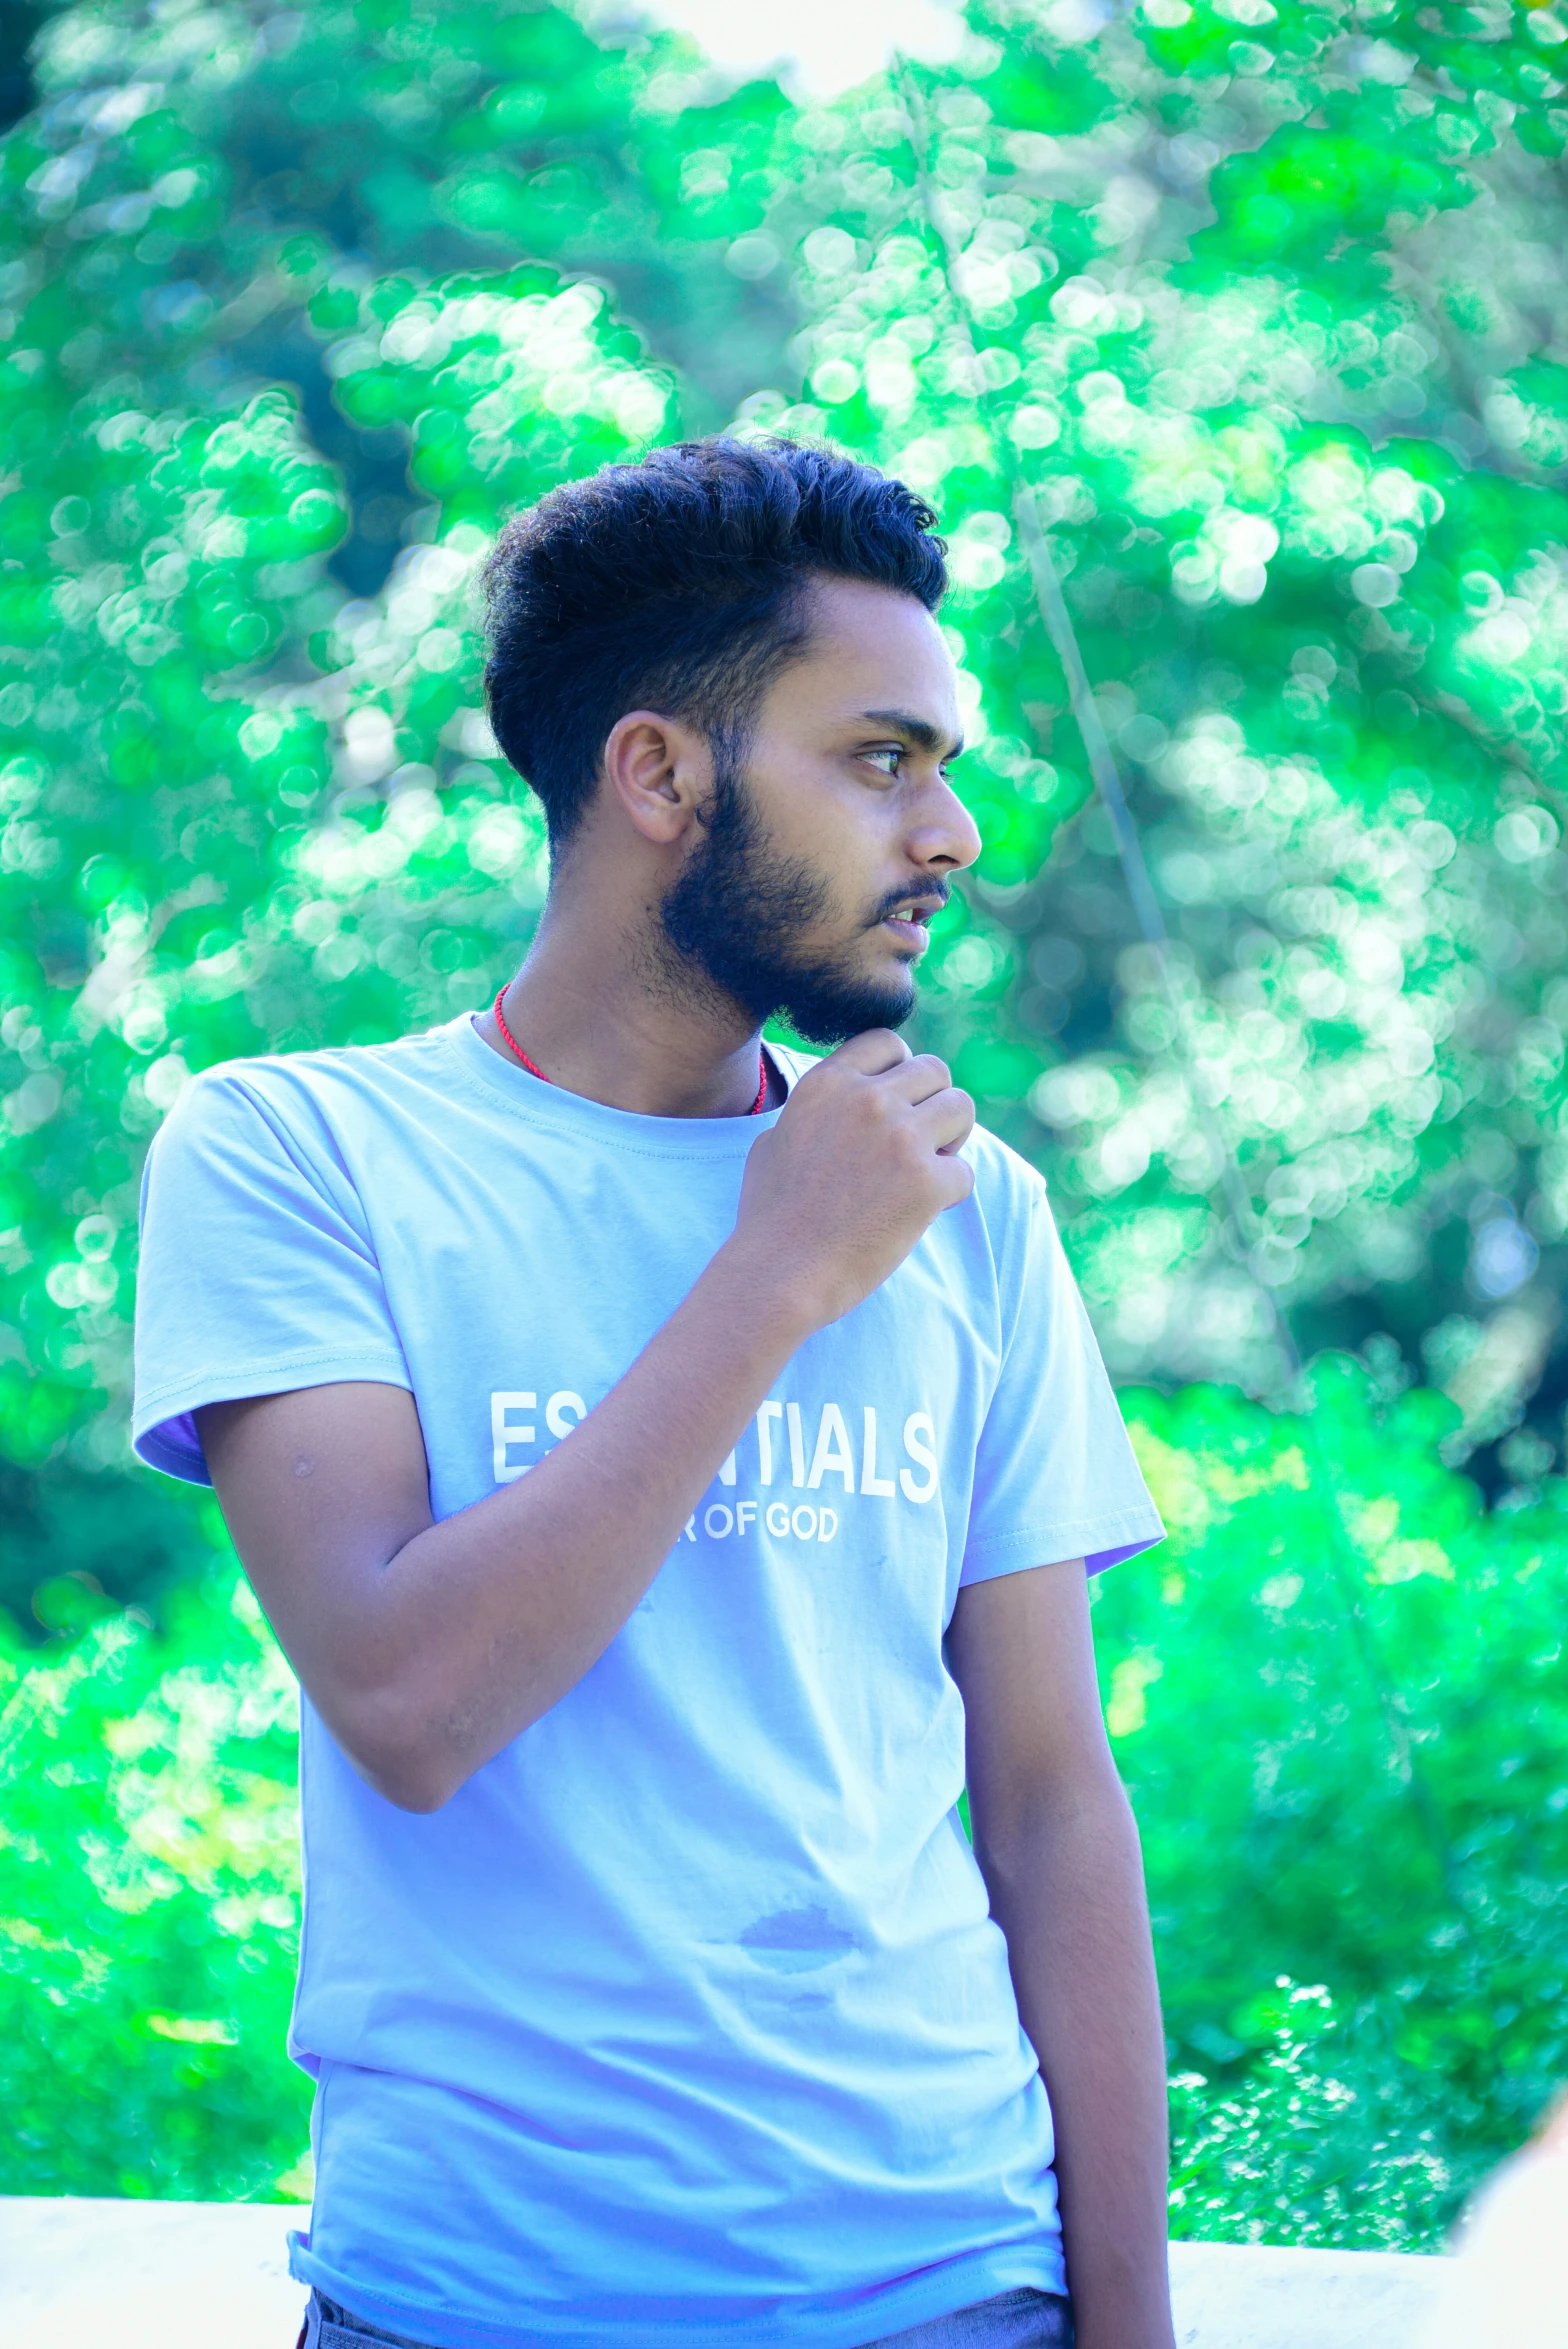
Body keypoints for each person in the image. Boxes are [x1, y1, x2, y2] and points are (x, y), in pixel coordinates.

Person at [133, 437, 1173, 2349]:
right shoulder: (296, 1150)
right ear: (661, 773)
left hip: (953, 2294)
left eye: (945, 768)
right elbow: (409, 1699)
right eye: (881, 759)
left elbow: (1050, 1802)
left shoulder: (974, 1209)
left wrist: (1133, 2330)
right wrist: (773, 1273)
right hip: (468, 2310)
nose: (948, 834)